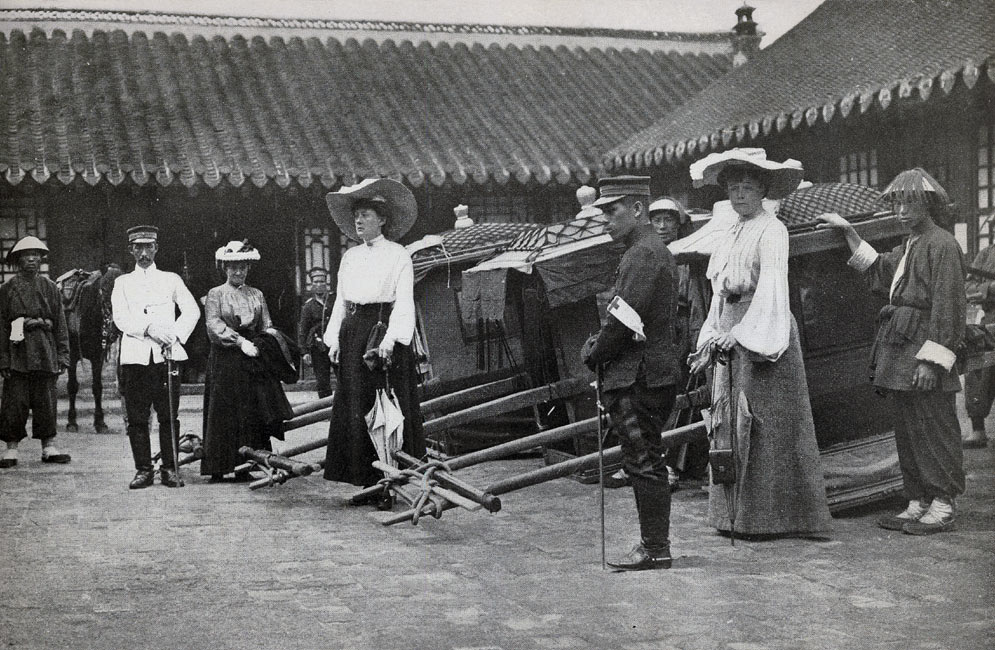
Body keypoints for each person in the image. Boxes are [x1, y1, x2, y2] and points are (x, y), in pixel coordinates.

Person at [687, 148, 831, 538]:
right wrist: (711, 336)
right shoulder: (730, 229)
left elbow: (771, 288)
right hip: (730, 325)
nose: (739, 196)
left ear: (763, 190)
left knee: (762, 425)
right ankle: (731, 515)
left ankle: (772, 518)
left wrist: (740, 336)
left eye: (747, 188)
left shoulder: (772, 230)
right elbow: (718, 289)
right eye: (733, 189)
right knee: (726, 420)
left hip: (762, 330)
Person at [818, 168, 966, 535]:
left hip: (924, 346)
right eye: (898, 202)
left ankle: (943, 502)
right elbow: (880, 267)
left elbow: (949, 308)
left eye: (909, 202)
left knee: (935, 426)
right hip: (901, 345)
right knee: (907, 426)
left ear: (928, 204)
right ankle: (917, 499)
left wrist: (933, 362)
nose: (901, 210)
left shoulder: (942, 244)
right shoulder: (910, 244)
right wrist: (849, 231)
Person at [581, 175, 681, 571]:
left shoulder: (642, 254)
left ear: (637, 209)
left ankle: (655, 548)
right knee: (647, 458)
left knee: (643, 460)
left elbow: (623, 322)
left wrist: (594, 352)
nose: (605, 219)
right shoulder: (644, 250)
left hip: (640, 376)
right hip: (649, 371)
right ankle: (654, 545)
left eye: (612, 210)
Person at [322, 178, 427, 511]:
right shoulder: (350, 257)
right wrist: (333, 339)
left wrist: (391, 340)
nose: (359, 220)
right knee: (357, 406)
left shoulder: (398, 256)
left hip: (381, 332)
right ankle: (366, 480)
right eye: (356, 215)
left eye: (366, 214)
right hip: (353, 334)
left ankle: (389, 483)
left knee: (385, 410)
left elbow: (405, 302)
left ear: (382, 219)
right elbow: (341, 300)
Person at [111, 226, 199, 489]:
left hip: (167, 358)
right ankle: (143, 470)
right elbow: (120, 318)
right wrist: (148, 328)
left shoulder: (171, 279)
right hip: (135, 358)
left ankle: (170, 469)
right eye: (138, 247)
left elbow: (192, 311)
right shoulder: (122, 282)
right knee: (137, 417)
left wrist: (175, 336)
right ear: (131, 250)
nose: (144, 252)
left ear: (156, 248)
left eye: (149, 247)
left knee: (168, 416)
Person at [201, 241, 296, 481]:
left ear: (248, 269)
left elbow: (267, 324)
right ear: (225, 268)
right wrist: (239, 342)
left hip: (252, 358)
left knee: (250, 411)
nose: (237, 272)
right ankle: (219, 466)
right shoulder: (216, 294)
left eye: (242, 267)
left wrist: (263, 344)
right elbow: (214, 324)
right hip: (225, 358)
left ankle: (247, 464)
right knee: (223, 411)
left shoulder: (257, 294)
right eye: (232, 267)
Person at [0, 237, 71, 469]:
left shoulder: (50, 287)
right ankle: (11, 449)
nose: (32, 258)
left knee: (46, 401)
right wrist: (3, 359)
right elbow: (1, 325)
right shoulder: (7, 289)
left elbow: (61, 323)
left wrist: (62, 355)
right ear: (17, 259)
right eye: (26, 254)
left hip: (44, 349)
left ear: (41, 258)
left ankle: (48, 446)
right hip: (17, 351)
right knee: (14, 402)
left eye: (36, 254)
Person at [962, 244, 995, 448]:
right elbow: (967, 288)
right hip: (988, 320)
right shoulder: (986, 254)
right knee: (978, 369)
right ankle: (978, 429)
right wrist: (988, 289)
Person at [298, 267, 334, 398]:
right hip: (318, 347)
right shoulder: (308, 306)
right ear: (312, 285)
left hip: (335, 345)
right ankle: (326, 411)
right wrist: (304, 351)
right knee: (323, 381)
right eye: (316, 282)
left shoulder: (333, 302)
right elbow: (303, 330)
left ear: (326, 283)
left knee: (342, 378)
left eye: (322, 281)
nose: (319, 285)